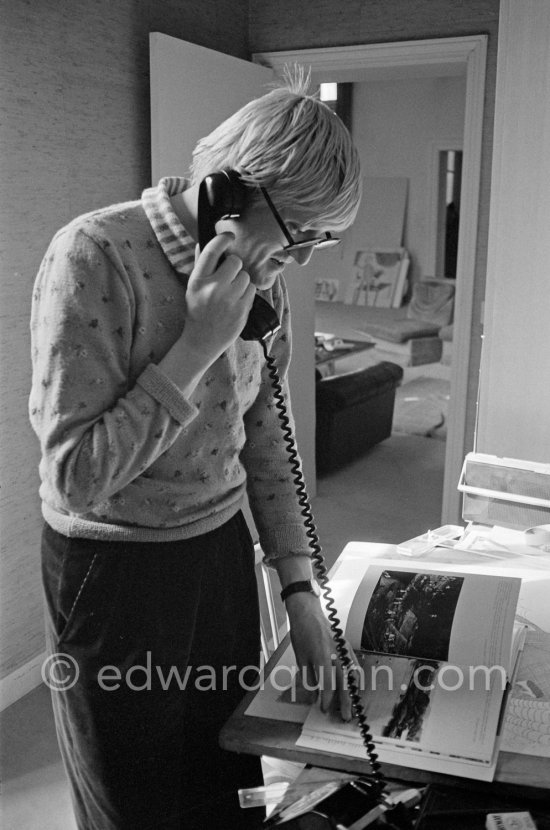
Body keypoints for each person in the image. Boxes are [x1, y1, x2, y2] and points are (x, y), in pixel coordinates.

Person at [29, 67, 362, 830]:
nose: (305, 260)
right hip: (112, 573)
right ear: (228, 194)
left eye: (324, 239)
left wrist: (300, 588)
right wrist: (196, 347)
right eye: (302, 234)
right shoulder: (94, 255)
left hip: (216, 554)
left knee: (226, 780)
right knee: (137, 803)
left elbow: (267, 441)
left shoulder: (256, 269)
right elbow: (77, 476)